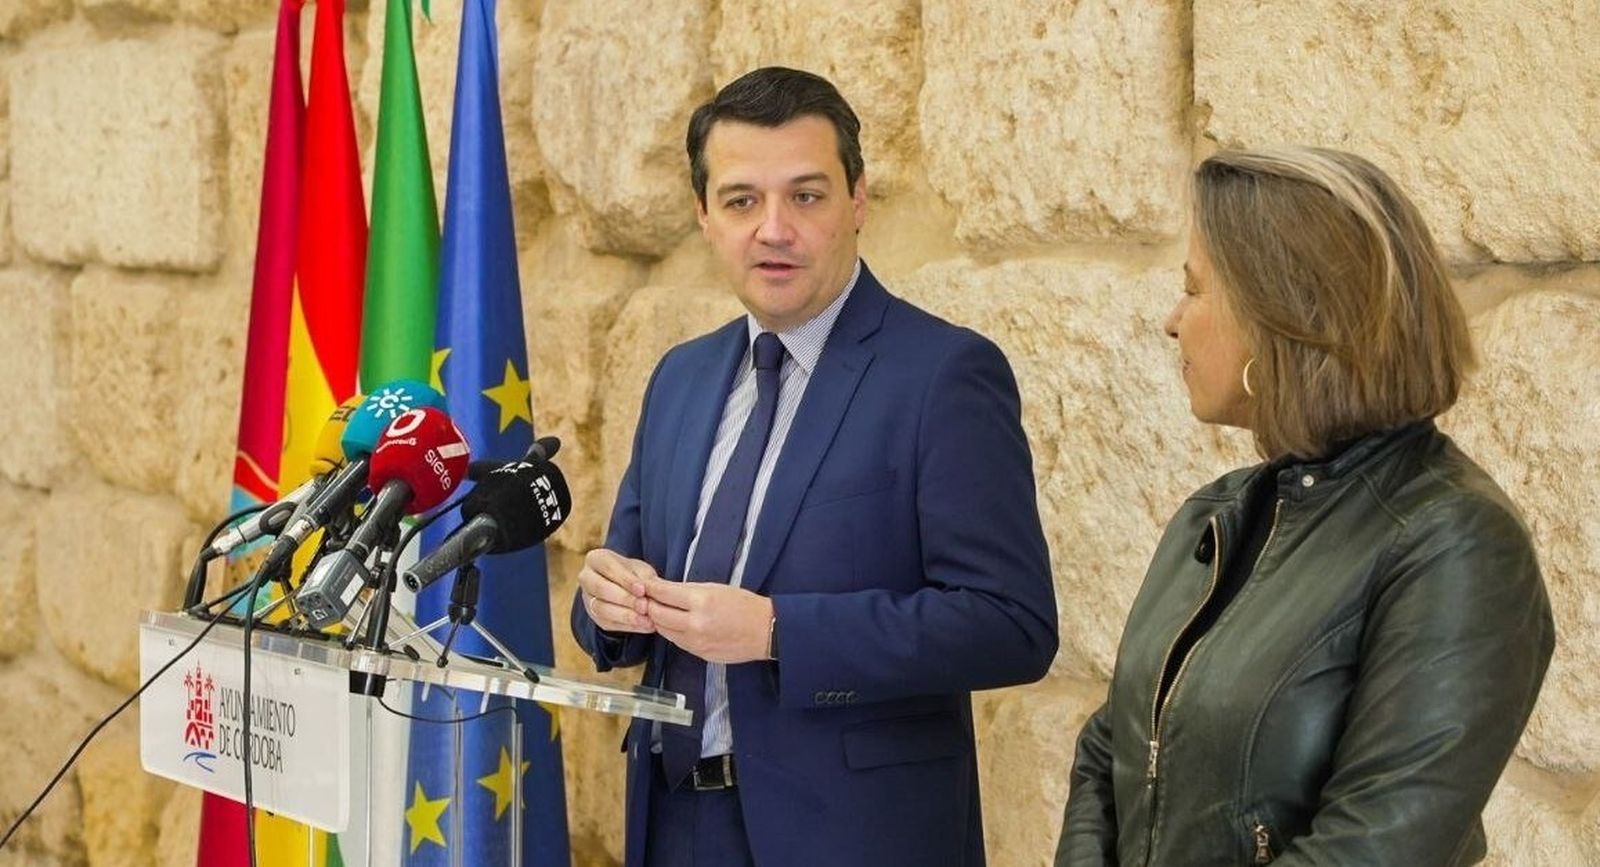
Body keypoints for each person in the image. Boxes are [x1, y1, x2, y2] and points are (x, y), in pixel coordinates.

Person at [570, 67, 1058, 867]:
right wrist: (605, 603)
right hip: (674, 825)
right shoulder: (679, 379)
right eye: (740, 201)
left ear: (858, 201)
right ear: (703, 216)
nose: (773, 229)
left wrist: (776, 632)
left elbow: (1012, 625)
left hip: (853, 836)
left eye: (805, 195)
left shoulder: (943, 374)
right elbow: (624, 589)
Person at [1057, 146, 1554, 866]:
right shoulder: (1214, 518)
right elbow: (1113, 744)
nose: (1173, 321)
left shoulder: (1454, 540)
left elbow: (1378, 844)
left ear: (1281, 315)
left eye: (1194, 290)